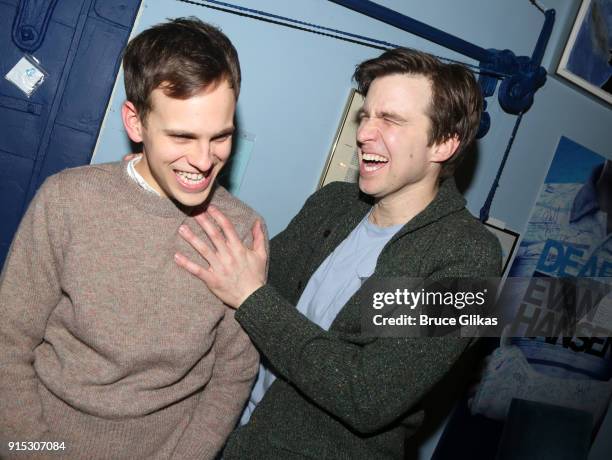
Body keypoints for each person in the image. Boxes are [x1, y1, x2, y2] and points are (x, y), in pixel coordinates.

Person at [175, 47, 502, 459]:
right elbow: (241, 285)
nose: (364, 132)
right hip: (228, 434)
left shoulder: (474, 259)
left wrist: (252, 299)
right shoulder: (333, 203)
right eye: (366, 116)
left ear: (443, 144)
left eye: (391, 119)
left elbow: (367, 398)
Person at [0, 18, 262, 460]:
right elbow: (9, 341)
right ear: (135, 123)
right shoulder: (68, 199)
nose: (203, 160)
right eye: (182, 136)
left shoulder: (241, 233)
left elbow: (233, 374)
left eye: (221, 137)